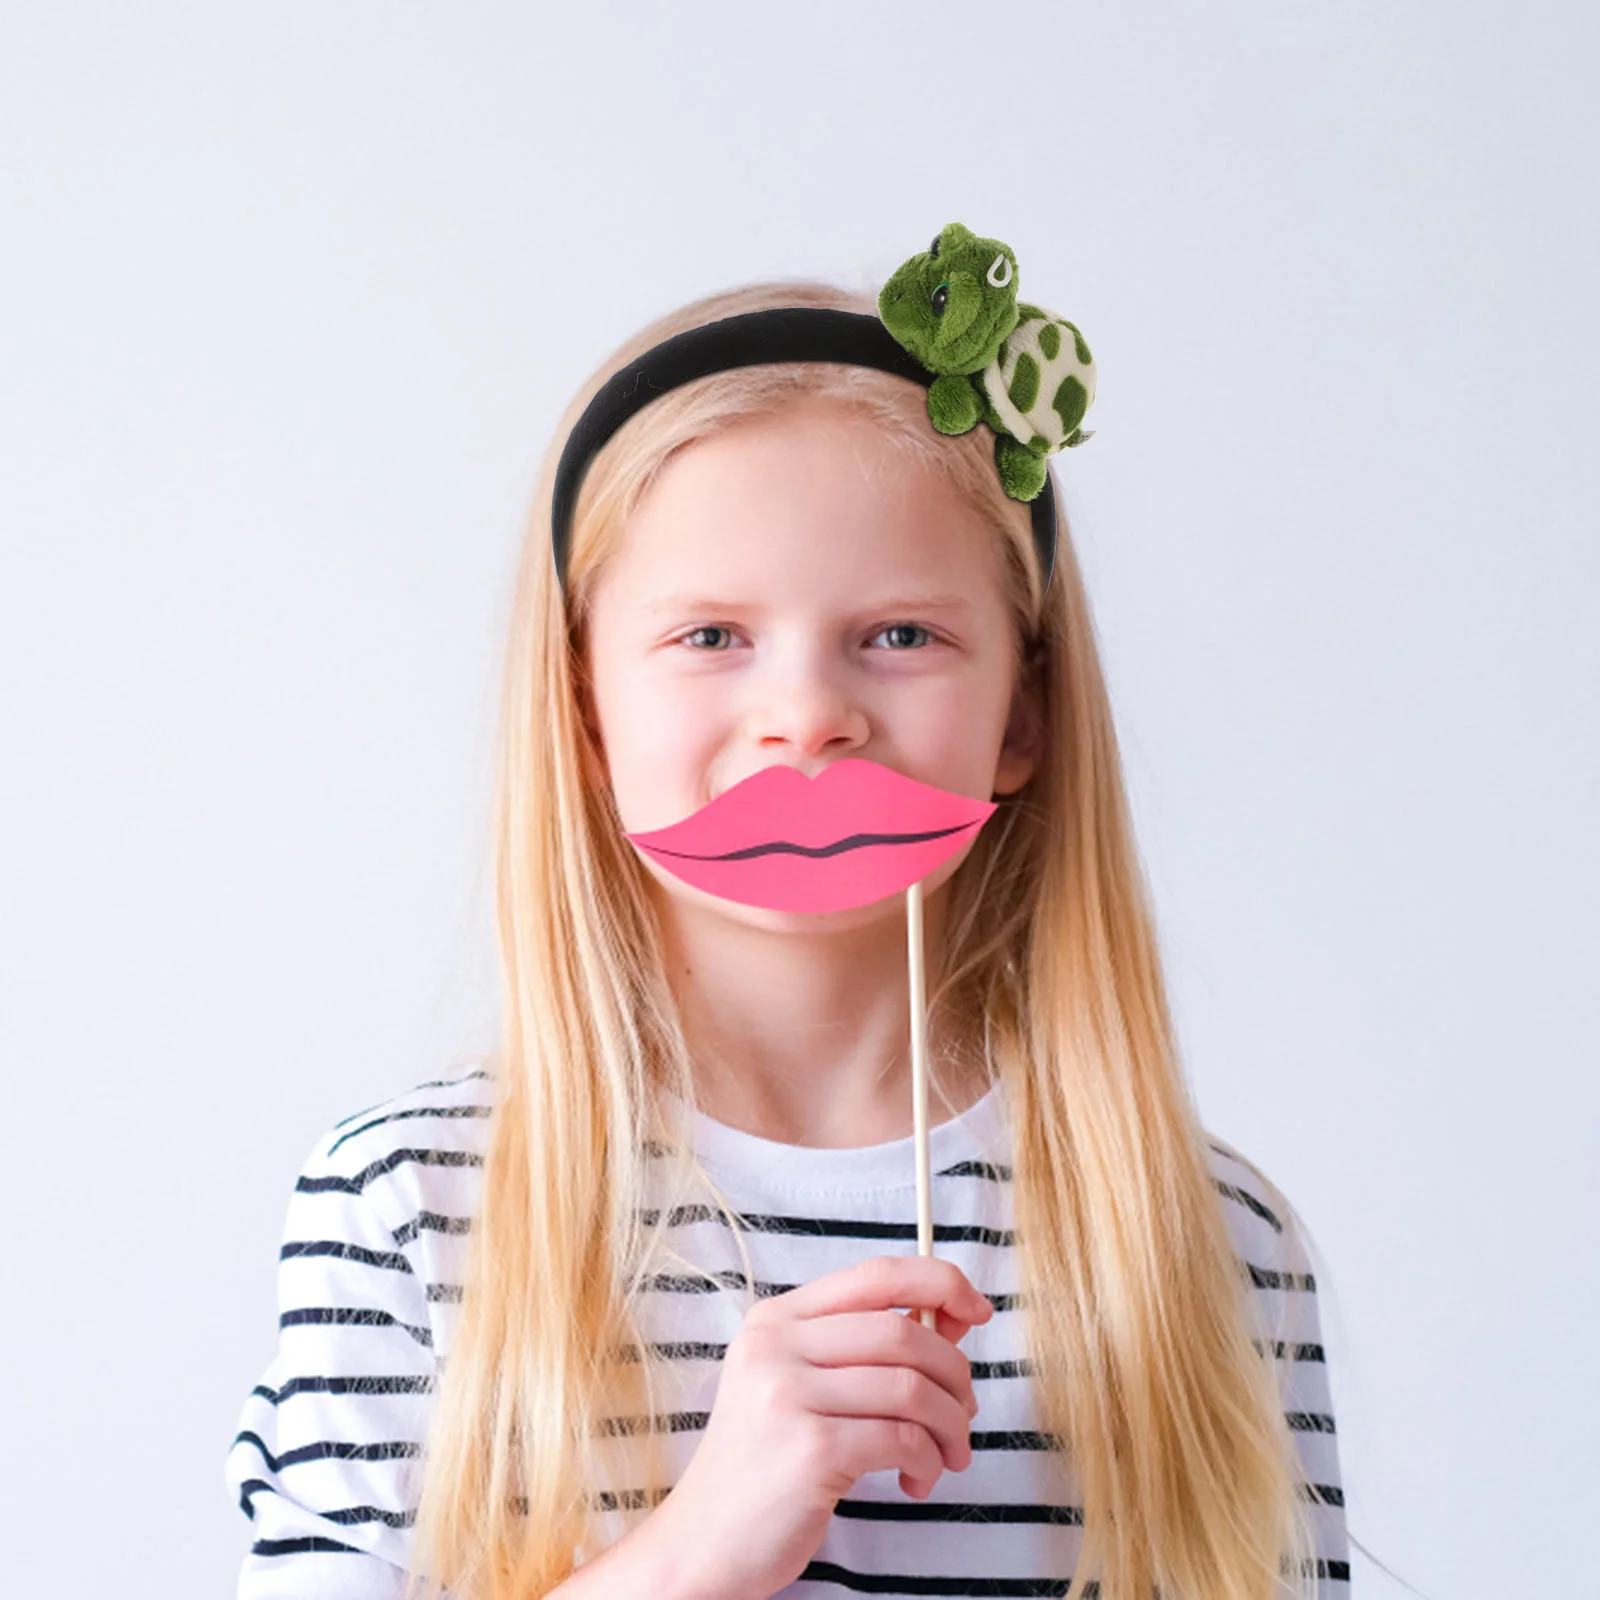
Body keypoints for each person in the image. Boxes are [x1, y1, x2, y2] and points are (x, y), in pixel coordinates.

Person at [224, 271, 1350, 1600]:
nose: (806, 714)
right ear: (586, 713)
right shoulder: (411, 1210)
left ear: (1023, 715)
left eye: (900, 634)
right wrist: (703, 1545)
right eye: (711, 635)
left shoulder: (1206, 1243)